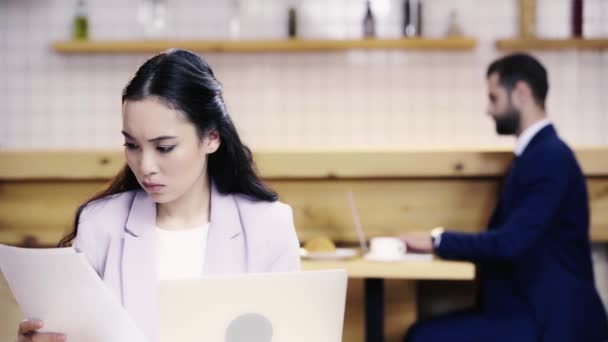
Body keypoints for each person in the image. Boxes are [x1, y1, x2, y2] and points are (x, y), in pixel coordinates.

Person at [17, 49, 300, 342]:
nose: (145, 166)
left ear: (211, 137)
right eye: (132, 145)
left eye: (164, 147)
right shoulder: (100, 224)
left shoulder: (269, 225)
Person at [400, 53, 608, 342]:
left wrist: (437, 241)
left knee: (422, 337)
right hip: (529, 309)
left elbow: (510, 243)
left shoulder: (549, 157)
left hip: (550, 319)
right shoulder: (537, 154)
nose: (488, 109)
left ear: (521, 93)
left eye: (494, 98)